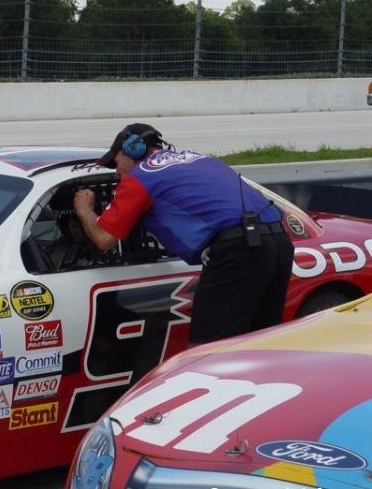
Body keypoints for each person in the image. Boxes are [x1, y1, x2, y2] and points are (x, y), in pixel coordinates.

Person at [73, 123, 295, 346]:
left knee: (204, 354)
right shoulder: (199, 159)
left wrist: (84, 210)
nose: (116, 171)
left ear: (132, 150)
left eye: (115, 161)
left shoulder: (141, 177)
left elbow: (104, 239)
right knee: (260, 346)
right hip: (279, 241)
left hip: (238, 249)